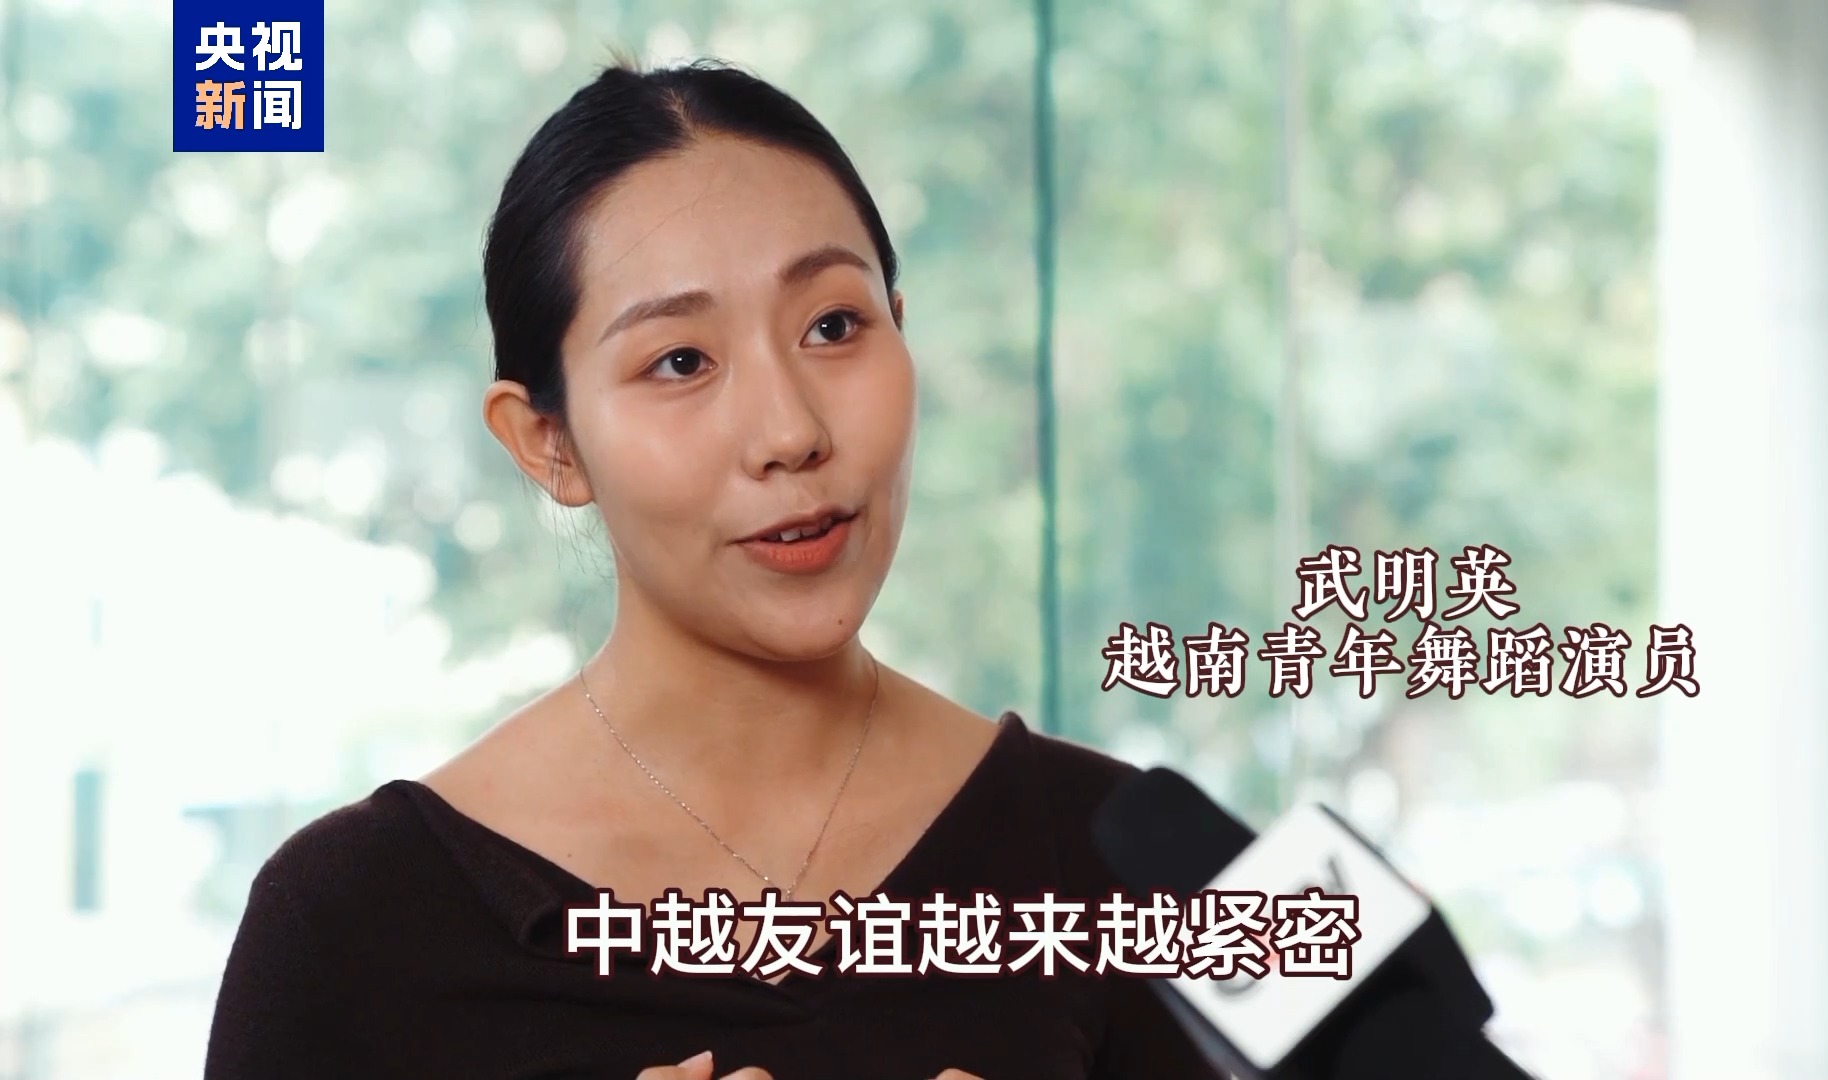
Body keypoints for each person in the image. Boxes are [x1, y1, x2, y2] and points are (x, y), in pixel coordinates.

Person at [203, 58, 1222, 1080]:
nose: (790, 432)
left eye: (834, 326)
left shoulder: (1136, 871)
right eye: (681, 361)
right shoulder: (349, 928)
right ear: (549, 443)